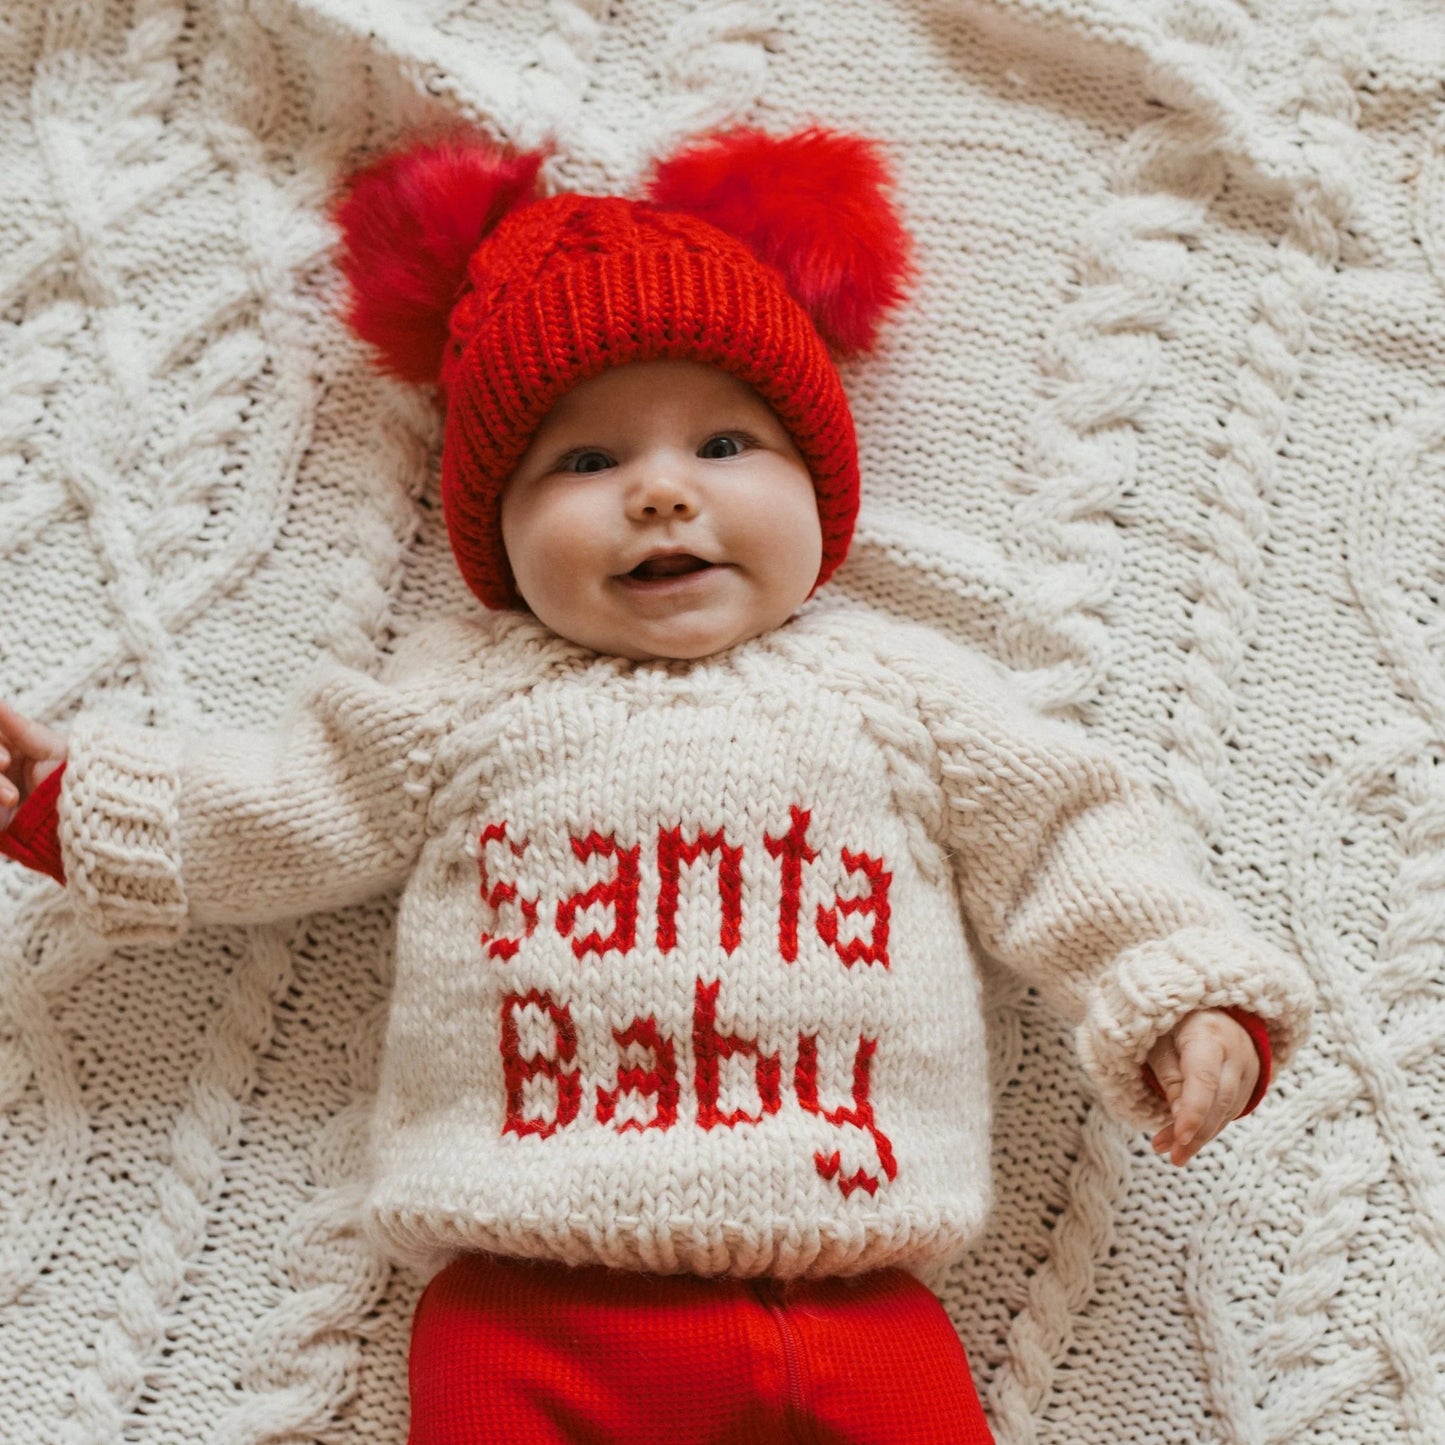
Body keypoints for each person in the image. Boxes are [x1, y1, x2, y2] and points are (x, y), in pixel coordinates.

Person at [0, 127, 1313, 1444]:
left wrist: (1178, 987)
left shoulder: (904, 697)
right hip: (527, 1309)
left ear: (820, 487)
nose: (661, 495)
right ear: (496, 532)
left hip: (851, 1301)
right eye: (584, 462)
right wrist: (89, 802)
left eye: (726, 442)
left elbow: (1066, 836)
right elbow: (288, 805)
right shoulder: (458, 703)